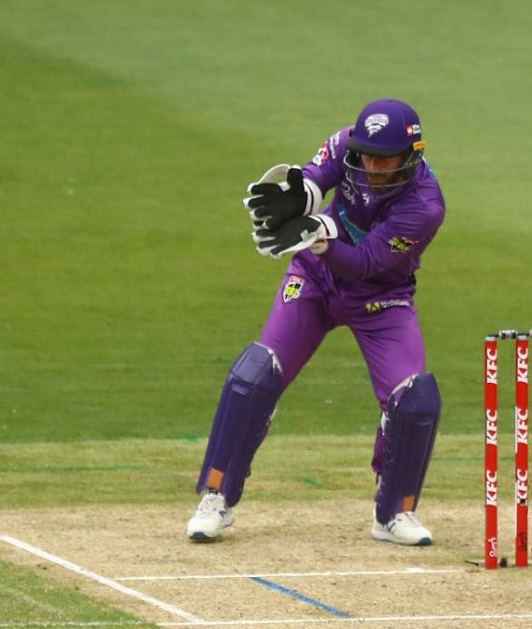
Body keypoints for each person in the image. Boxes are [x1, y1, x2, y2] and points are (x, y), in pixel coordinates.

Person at [186, 98, 447, 548]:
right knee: (256, 375)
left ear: (412, 154)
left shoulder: (424, 205)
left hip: (381, 298)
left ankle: (394, 514)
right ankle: (216, 497)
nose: (371, 166)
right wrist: (300, 197)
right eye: (365, 155)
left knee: (415, 399)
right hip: (312, 282)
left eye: (383, 159)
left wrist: (319, 238)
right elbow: (313, 178)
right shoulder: (347, 144)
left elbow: (365, 263)